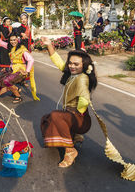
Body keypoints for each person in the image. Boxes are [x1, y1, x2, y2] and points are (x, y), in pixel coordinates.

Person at [40, 36, 97, 168]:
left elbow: (84, 100)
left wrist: (75, 116)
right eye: (70, 63)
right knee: (47, 119)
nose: (71, 66)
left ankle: (70, 150)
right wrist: (49, 45)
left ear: (84, 65)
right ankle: (74, 135)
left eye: (76, 64)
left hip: (81, 119)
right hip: (72, 116)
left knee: (55, 116)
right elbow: (60, 63)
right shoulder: (73, 74)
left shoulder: (82, 78)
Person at [0, 26, 39, 103]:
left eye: (14, 40)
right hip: (13, 70)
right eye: (11, 40)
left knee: (6, 81)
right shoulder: (9, 46)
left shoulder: (22, 49)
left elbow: (31, 60)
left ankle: (18, 96)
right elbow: (0, 42)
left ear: (18, 40)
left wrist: (27, 71)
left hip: (21, 71)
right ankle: (15, 89)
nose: (13, 42)